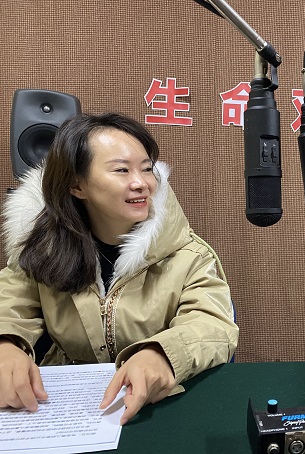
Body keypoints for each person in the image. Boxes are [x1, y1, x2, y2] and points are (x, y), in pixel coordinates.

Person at [0, 112, 239, 424]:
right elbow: (10, 304)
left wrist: (162, 354)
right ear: (77, 185)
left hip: (161, 405)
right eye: (122, 170)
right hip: (66, 406)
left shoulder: (188, 254)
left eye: (147, 169)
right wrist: (6, 345)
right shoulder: (41, 249)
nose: (141, 183)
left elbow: (213, 325)